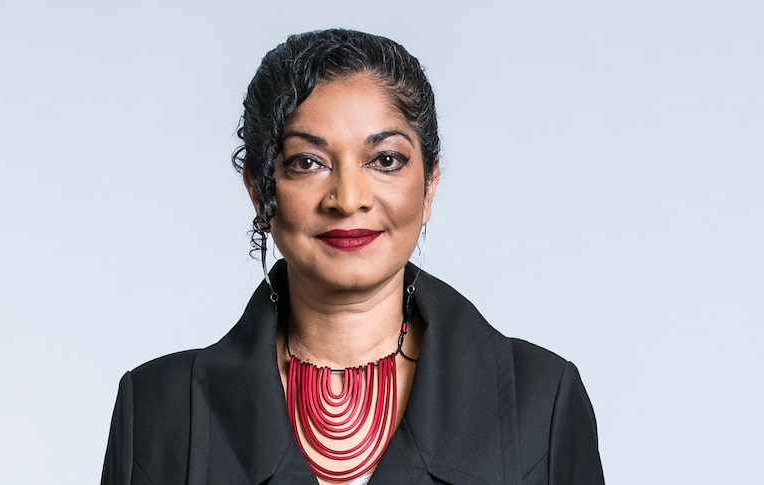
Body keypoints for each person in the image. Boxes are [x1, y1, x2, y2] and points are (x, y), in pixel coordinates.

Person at [101, 29, 604, 485]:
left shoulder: (542, 402)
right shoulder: (157, 412)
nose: (347, 198)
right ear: (259, 190)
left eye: (385, 160)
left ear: (429, 184)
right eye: (308, 162)